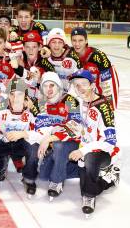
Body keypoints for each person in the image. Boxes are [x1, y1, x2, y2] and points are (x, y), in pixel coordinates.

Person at [68, 69, 120, 217]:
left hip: (104, 152)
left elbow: (110, 141)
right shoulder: (80, 101)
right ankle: (108, 180)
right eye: (76, 85)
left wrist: (83, 151)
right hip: (85, 149)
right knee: (83, 189)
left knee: (88, 191)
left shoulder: (103, 106)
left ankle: (90, 198)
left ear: (92, 85)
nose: (80, 88)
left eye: (83, 84)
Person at [22, 72, 81, 200]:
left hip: (69, 142)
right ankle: (79, 170)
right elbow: (38, 129)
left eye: (52, 85)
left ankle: (57, 181)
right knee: (43, 175)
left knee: (59, 146)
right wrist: (45, 139)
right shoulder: (40, 104)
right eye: (45, 86)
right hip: (50, 145)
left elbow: (75, 127)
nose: (48, 89)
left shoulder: (70, 100)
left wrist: (50, 138)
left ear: (59, 86)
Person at [70, 27, 119, 109]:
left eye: (80, 40)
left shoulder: (98, 56)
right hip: (78, 100)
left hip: (95, 100)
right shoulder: (70, 54)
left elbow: (108, 83)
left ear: (86, 41)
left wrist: (109, 106)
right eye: (74, 40)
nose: (77, 44)